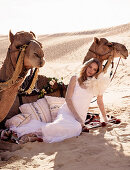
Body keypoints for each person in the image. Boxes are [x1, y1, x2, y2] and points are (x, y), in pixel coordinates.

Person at [10, 58, 110, 143]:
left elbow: (100, 101)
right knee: (64, 126)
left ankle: (38, 135)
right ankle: (34, 134)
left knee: (75, 129)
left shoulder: (96, 83)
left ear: (97, 72)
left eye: (94, 69)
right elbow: (68, 99)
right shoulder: (75, 78)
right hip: (67, 112)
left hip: (81, 116)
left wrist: (105, 118)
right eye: (90, 67)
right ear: (86, 66)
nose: (91, 70)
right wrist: (77, 117)